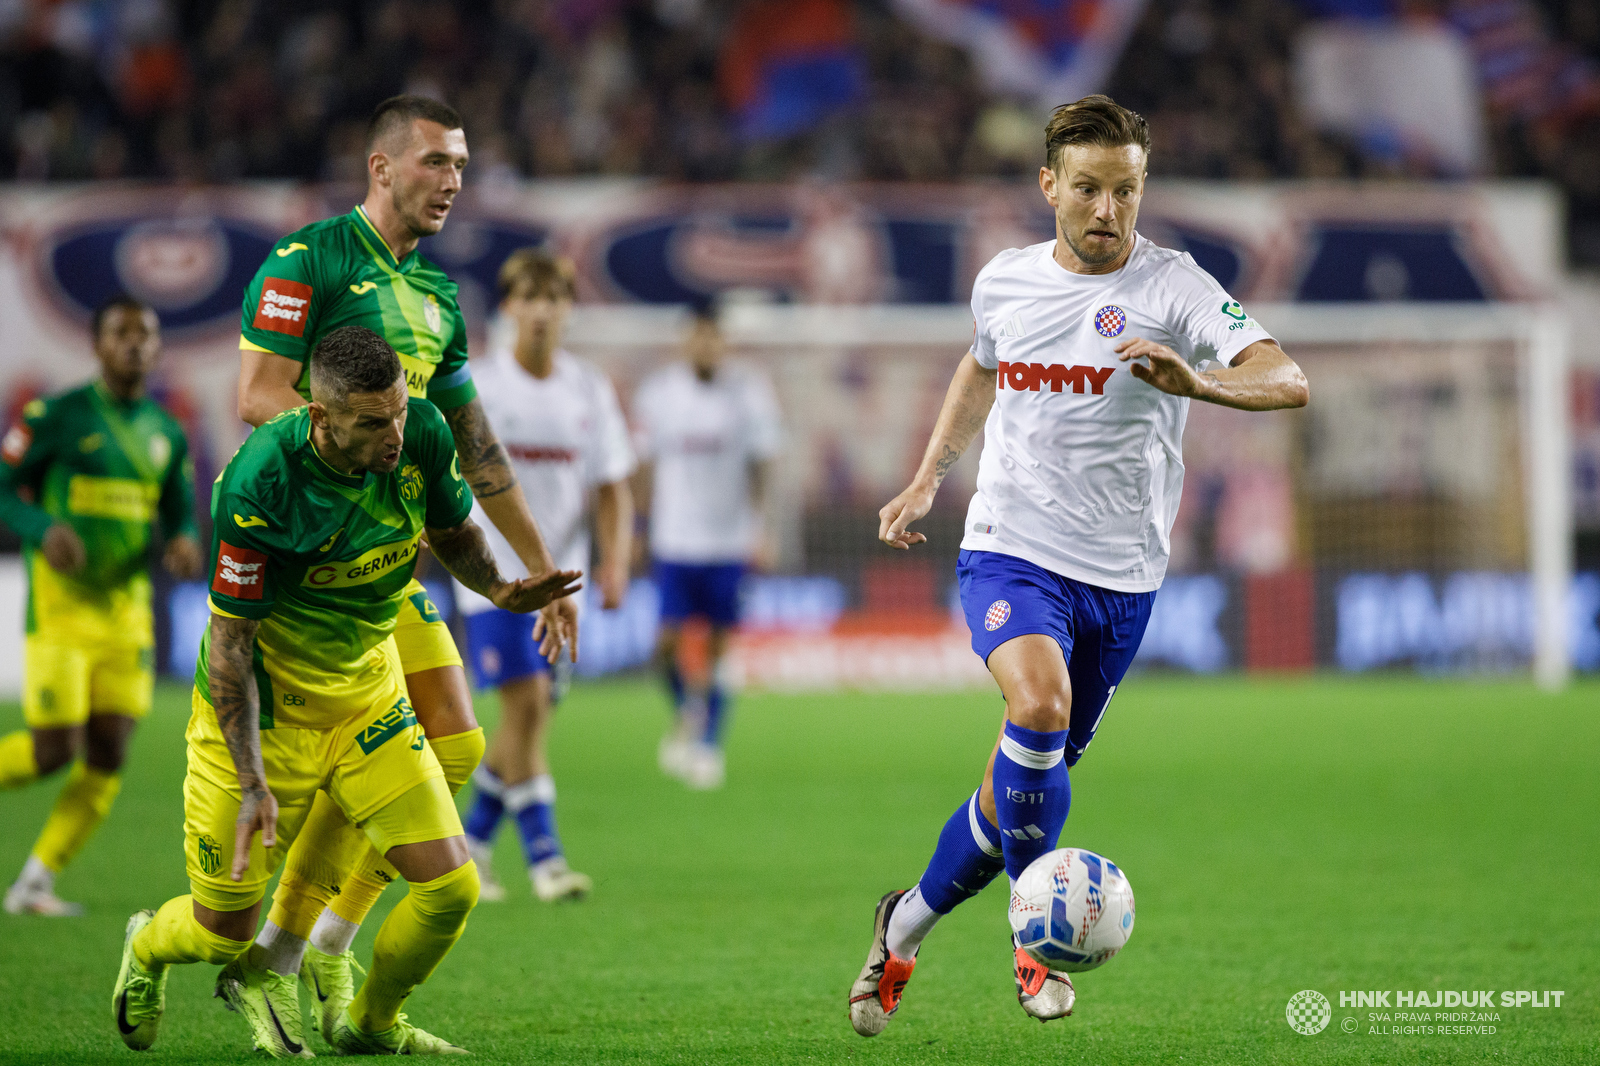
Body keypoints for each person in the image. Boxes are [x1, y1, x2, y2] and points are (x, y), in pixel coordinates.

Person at [848, 95, 1309, 1035]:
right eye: (1090, 189)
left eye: (1127, 191)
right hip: (1011, 549)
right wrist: (929, 477)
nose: (1108, 211)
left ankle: (904, 923)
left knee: (1015, 787)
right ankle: (1035, 943)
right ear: (1049, 184)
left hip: (1125, 578)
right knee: (1038, 707)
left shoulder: (1176, 289)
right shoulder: (1006, 282)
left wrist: (1200, 382)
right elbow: (981, 366)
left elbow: (1288, 378)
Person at [110, 326, 579, 1056]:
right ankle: (146, 949)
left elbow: (453, 529)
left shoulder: (419, 427)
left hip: (365, 698)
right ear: (321, 418)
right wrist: (253, 779)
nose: (394, 433)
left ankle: (370, 1023)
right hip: (269, 721)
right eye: (372, 421)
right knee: (219, 929)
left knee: (450, 887)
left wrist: (499, 588)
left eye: (395, 412)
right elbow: (232, 646)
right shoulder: (261, 483)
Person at [232, 95, 578, 1043]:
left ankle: (314, 943)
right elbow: (259, 396)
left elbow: (475, 446)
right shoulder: (311, 261)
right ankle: (264, 950)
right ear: (381, 168)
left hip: (398, 561)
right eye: (435, 162)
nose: (454, 180)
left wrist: (539, 569)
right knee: (336, 769)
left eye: (462, 164)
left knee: (458, 746)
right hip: (313, 564)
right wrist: (357, 477)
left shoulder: (440, 300)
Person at [0, 297, 201, 916]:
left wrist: (186, 539)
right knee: (53, 749)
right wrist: (39, 527)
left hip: (127, 611)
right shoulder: (57, 415)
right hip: (61, 610)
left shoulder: (166, 432)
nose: (135, 344)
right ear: (97, 345)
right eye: (121, 333)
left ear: (158, 347)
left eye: (146, 334)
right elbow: (6, 488)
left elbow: (177, 507)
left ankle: (35, 882)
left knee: (111, 748)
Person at [455, 249, 634, 902]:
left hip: (563, 584)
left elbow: (613, 485)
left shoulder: (588, 389)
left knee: (528, 723)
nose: (540, 310)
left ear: (567, 310)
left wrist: (614, 562)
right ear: (508, 308)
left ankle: (469, 847)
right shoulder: (479, 386)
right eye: (527, 297)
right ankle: (547, 860)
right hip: (492, 579)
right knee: (526, 708)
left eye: (553, 298)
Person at [632, 306, 780, 790]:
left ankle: (709, 745)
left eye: (714, 337)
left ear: (724, 341)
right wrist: (635, 528)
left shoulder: (749, 393)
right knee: (664, 648)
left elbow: (762, 466)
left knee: (718, 649)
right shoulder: (659, 395)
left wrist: (763, 528)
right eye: (698, 337)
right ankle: (690, 714)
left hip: (728, 540)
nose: (706, 346)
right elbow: (643, 466)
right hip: (674, 539)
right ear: (686, 340)